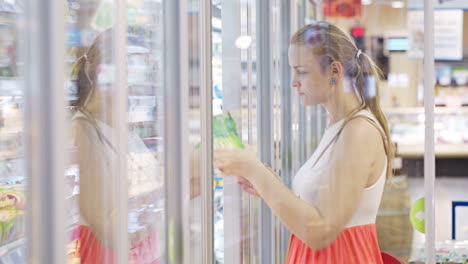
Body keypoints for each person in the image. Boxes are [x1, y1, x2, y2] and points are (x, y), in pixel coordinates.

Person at [215, 21, 393, 263]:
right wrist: (263, 184)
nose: (294, 82)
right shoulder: (338, 126)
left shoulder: (359, 131)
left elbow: (320, 232)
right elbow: (318, 209)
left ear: (334, 71)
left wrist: (255, 170)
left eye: (302, 71)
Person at [71, 30, 160, 263]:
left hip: (145, 252)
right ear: (93, 73)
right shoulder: (83, 131)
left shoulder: (122, 128)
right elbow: (106, 229)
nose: (128, 83)